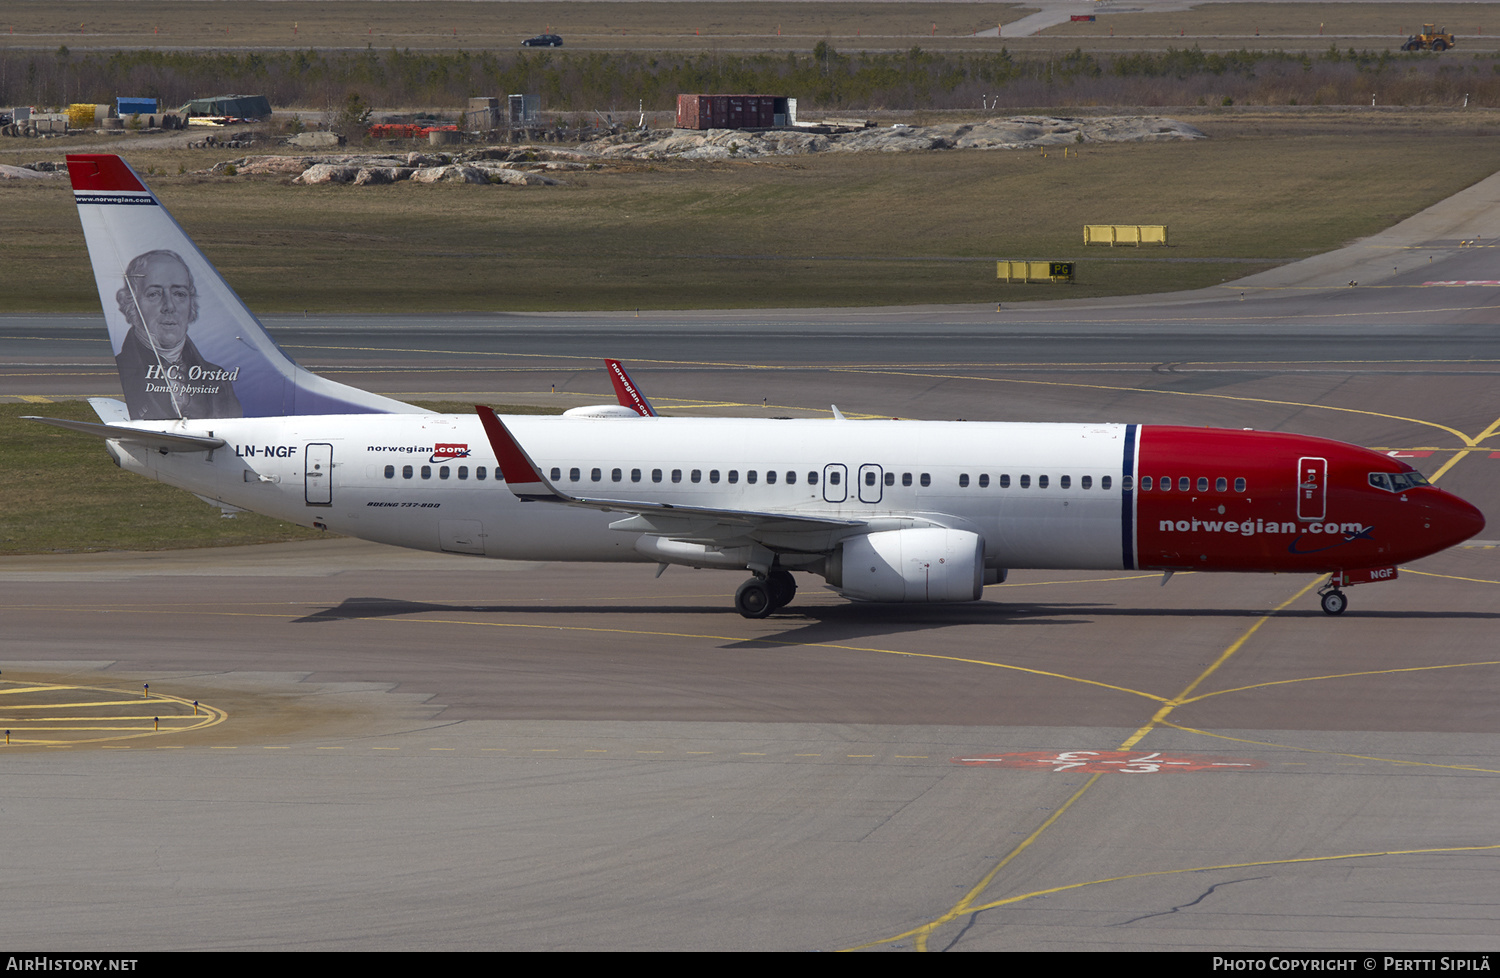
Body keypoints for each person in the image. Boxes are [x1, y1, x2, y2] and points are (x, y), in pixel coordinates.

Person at [113, 249, 242, 420]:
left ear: (191, 305)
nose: (169, 306)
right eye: (154, 294)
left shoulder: (218, 378)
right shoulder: (121, 371)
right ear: (132, 304)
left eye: (179, 294)